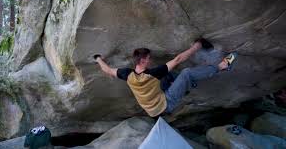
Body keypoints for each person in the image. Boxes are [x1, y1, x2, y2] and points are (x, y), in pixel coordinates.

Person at [94, 38, 237, 118]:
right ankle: (221, 67)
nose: (150, 60)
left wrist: (98, 59)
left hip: (152, 107)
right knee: (186, 72)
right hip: (165, 104)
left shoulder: (126, 74)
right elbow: (178, 59)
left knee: (168, 75)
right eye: (149, 58)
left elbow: (107, 70)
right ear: (142, 60)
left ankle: (188, 84)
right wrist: (197, 45)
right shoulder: (153, 73)